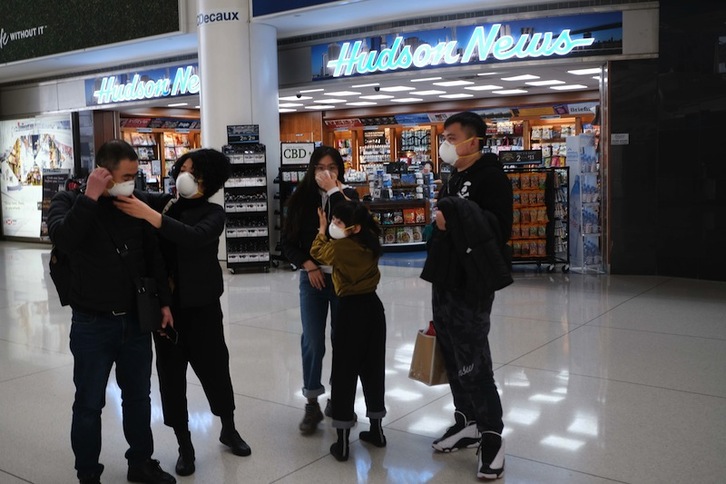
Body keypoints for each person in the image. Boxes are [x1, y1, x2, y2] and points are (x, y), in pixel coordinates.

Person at [113, 149, 251, 476]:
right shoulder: (165, 203)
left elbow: (194, 238)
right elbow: (129, 191)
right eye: (183, 169)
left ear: (209, 180)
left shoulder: (214, 213)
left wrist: (152, 216)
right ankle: (184, 445)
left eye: (194, 172)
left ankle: (228, 427)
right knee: (172, 380)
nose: (184, 176)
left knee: (216, 371)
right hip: (166, 311)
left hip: (203, 308)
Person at [47, 139, 176, 484]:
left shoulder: (135, 204)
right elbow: (63, 239)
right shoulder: (70, 202)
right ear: (104, 174)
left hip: (135, 321)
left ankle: (141, 462)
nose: (134, 182)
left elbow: (153, 257)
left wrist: (163, 302)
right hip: (92, 324)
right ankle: (88, 472)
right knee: (89, 403)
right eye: (128, 175)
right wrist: (89, 197)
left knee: (138, 397)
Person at [421, 112, 513, 480]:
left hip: (472, 282)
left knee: (473, 357)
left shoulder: (492, 177)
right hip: (445, 277)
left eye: (452, 136)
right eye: (444, 136)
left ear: (473, 140)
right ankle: (468, 420)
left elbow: (499, 228)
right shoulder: (454, 175)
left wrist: (455, 216)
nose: (446, 142)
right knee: (452, 350)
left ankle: (492, 434)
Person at [281, 146, 359, 435]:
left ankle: (339, 398)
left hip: (343, 280)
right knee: (313, 339)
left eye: (332, 167)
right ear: (311, 170)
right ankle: (312, 399)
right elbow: (287, 243)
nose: (326, 173)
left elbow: (356, 236)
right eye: (320, 167)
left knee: (344, 340)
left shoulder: (350, 197)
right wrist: (309, 265)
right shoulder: (300, 200)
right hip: (312, 281)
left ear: (340, 169)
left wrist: (336, 192)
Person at [309, 200, 387, 462]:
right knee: (373, 368)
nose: (333, 225)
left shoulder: (341, 249)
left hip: (349, 311)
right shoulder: (371, 242)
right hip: (374, 310)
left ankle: (342, 442)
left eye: (339, 223)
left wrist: (322, 230)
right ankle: (377, 430)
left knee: (344, 372)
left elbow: (317, 251)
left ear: (353, 228)